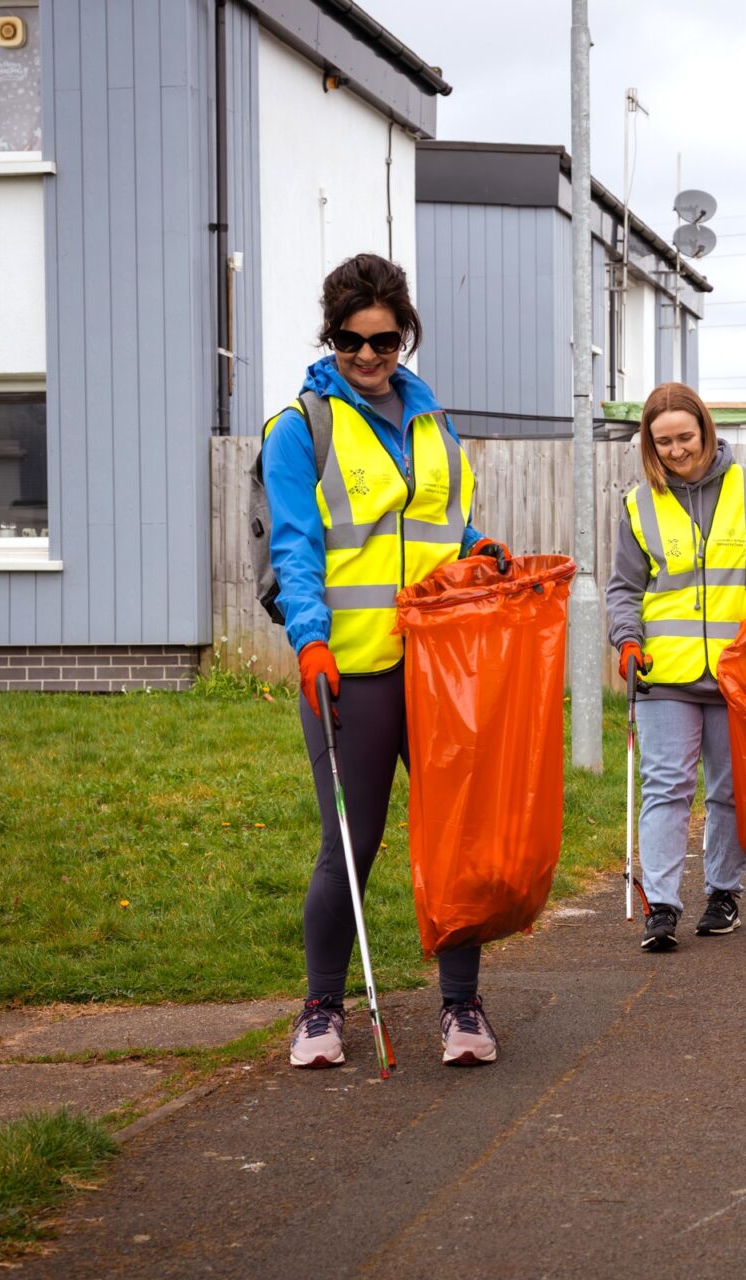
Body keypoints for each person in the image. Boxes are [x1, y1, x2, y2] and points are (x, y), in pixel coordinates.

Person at [261, 253, 511, 1069]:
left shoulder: (438, 429)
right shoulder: (302, 428)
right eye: (350, 339)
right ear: (329, 334)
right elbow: (296, 548)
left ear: (406, 336)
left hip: (442, 672)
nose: (367, 356)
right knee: (351, 843)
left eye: (385, 339)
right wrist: (311, 642)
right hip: (351, 674)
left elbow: (450, 531)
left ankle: (462, 1007)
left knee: (454, 841)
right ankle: (321, 1011)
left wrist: (482, 552)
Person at [606, 383, 746, 951]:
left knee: (730, 790)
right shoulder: (640, 503)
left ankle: (723, 893)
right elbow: (624, 588)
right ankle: (661, 907)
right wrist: (626, 640)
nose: (675, 450)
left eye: (684, 437)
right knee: (665, 787)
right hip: (666, 671)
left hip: (739, 668)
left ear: (706, 430)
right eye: (662, 441)